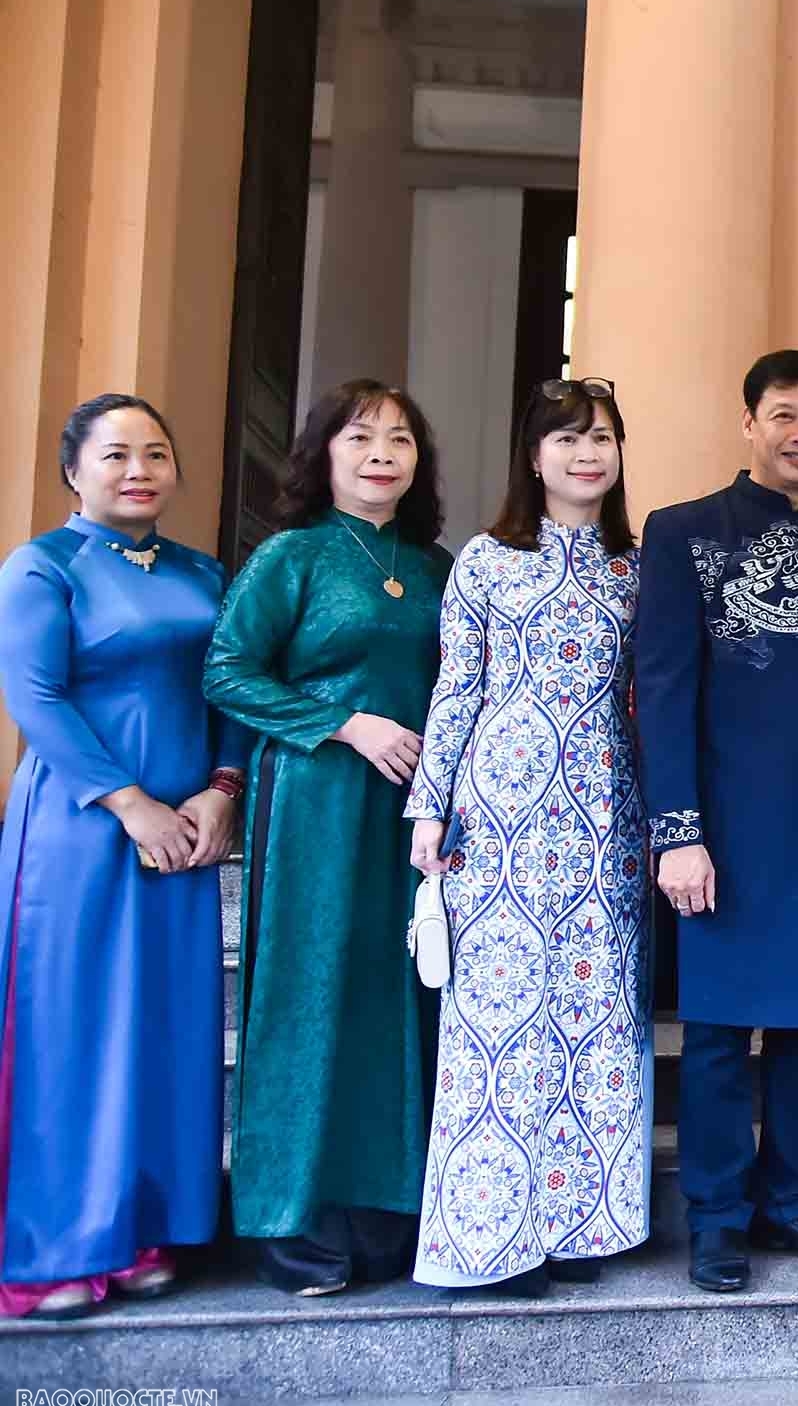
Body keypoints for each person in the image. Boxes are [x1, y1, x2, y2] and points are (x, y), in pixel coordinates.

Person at [635, 350, 798, 1294]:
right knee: (713, 1034)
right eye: (785, 415)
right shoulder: (682, 532)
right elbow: (661, 689)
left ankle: (794, 1206)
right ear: (748, 423)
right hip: (721, 825)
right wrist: (678, 829)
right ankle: (716, 1220)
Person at [203, 379, 456, 1294]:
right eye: (361, 437)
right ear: (324, 453)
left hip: (417, 815)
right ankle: (292, 1214)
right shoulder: (291, 557)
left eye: (399, 438)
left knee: (400, 994)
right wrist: (347, 724)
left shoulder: (437, 566)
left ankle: (388, 1203)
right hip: (316, 802)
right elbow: (227, 671)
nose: (382, 452)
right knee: (311, 992)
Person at [405, 379, 648, 1295]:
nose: (589, 453)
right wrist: (430, 809)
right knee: (499, 1027)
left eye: (604, 438)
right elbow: (455, 688)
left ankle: (585, 1228)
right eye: (569, 438)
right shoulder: (486, 559)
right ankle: (492, 1240)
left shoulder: (640, 564)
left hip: (607, 817)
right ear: (534, 455)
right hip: (499, 815)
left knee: (593, 1019)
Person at [0, 396, 240, 1319]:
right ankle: (57, 1243)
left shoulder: (203, 572)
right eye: (115, 455)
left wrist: (221, 789)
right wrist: (129, 802)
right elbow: (36, 695)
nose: (138, 470)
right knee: (75, 1027)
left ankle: (145, 1227)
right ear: (74, 470)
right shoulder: (44, 566)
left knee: (163, 1024)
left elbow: (230, 683)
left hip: (186, 829)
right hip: (81, 826)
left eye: (156, 453)